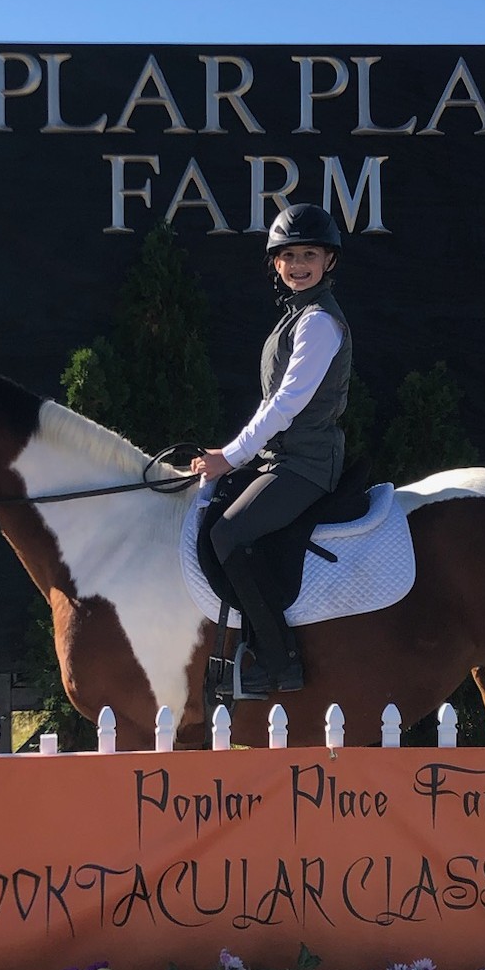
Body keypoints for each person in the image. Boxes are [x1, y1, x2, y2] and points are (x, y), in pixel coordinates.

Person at [191, 203, 353, 698]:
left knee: (228, 533)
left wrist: (230, 457)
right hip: (278, 458)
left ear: (328, 261)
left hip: (306, 463)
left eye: (309, 254)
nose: (298, 264)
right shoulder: (295, 317)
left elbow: (284, 405)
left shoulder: (319, 322)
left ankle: (279, 660)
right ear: (276, 263)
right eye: (289, 256)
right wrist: (235, 452)